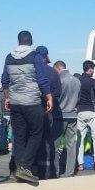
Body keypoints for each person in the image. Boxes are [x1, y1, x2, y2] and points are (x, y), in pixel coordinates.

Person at [2, 30, 52, 184]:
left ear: (18, 41)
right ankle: (25, 166)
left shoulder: (9, 57)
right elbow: (42, 79)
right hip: (32, 102)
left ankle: (18, 169)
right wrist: (49, 97)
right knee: (36, 133)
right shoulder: (35, 56)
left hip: (15, 103)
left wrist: (7, 97)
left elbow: (4, 80)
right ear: (31, 41)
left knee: (19, 137)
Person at [35, 46, 62, 179]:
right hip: (49, 111)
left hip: (33, 110)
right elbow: (58, 93)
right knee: (48, 141)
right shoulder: (53, 72)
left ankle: (34, 170)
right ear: (46, 56)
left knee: (34, 140)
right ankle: (49, 171)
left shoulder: (32, 70)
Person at [55, 60, 81, 177]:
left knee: (55, 145)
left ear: (58, 68)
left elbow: (55, 99)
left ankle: (55, 171)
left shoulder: (59, 80)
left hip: (60, 115)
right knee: (71, 145)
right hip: (73, 115)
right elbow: (79, 99)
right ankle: (69, 171)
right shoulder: (77, 81)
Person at [76, 60, 95, 172]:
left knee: (80, 140)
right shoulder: (93, 82)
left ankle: (80, 164)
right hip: (92, 111)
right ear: (90, 69)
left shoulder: (78, 81)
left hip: (80, 112)